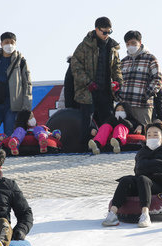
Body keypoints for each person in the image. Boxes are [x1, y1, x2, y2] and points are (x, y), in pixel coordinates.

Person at [102, 121, 162, 227]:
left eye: (155, 135)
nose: (152, 138)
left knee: (143, 179)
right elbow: (137, 172)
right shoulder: (141, 153)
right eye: (149, 135)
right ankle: (112, 214)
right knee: (126, 180)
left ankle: (145, 215)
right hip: (143, 184)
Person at [71, 17, 123, 148]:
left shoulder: (112, 48)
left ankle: (104, 146)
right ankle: (84, 147)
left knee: (107, 120)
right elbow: (76, 67)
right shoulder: (84, 46)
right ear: (96, 29)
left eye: (109, 32)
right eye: (104, 32)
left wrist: (117, 82)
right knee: (87, 122)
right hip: (88, 91)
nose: (106, 35)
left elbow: (117, 68)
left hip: (106, 91)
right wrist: (88, 82)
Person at [120, 30, 162, 125]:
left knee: (143, 134)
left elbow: (157, 79)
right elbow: (118, 81)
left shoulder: (150, 58)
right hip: (125, 106)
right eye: (127, 44)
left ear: (140, 42)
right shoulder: (123, 62)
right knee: (125, 134)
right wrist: (118, 95)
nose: (130, 46)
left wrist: (146, 95)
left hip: (143, 106)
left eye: (133, 43)